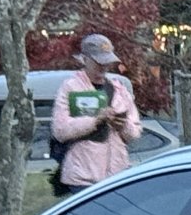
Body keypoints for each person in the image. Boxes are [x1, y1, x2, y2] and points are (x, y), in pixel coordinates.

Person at [49, 33, 142, 195]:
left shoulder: (119, 90)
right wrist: (95, 121)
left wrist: (122, 125)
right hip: (82, 178)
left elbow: (135, 132)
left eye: (107, 62)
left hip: (117, 177)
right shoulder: (71, 88)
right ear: (84, 59)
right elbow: (60, 130)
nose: (103, 67)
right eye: (98, 62)